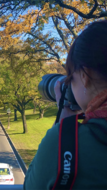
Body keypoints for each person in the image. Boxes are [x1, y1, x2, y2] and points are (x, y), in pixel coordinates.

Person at [23, 20, 107, 190]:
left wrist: (64, 130)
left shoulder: (68, 144)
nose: (69, 83)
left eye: (70, 76)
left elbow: (30, 185)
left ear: (85, 74)